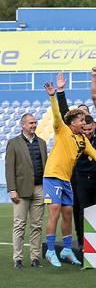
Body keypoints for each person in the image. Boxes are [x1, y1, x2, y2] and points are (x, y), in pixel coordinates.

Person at [42, 81, 96, 268]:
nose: (85, 123)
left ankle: (66, 249)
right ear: (73, 122)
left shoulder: (83, 140)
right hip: (52, 176)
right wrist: (53, 95)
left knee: (68, 213)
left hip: (65, 180)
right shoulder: (62, 130)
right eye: (82, 120)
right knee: (56, 211)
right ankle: (51, 250)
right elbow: (58, 114)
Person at [5, 113, 47, 268]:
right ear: (22, 125)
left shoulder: (42, 143)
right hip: (21, 191)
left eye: (35, 123)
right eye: (30, 123)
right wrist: (12, 190)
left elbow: (46, 166)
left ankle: (35, 258)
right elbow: (9, 168)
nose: (33, 125)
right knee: (19, 225)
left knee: (36, 226)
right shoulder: (13, 143)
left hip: (39, 189)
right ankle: (18, 258)